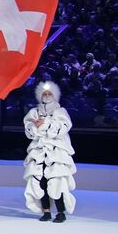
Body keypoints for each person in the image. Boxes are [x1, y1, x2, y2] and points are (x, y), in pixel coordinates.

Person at [23, 81, 77, 223]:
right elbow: (29, 131)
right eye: (44, 93)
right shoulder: (34, 112)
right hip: (39, 153)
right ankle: (46, 211)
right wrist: (34, 125)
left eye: (49, 93)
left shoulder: (60, 111)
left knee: (56, 181)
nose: (47, 96)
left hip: (56, 154)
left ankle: (60, 212)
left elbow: (63, 127)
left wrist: (45, 124)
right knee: (40, 182)